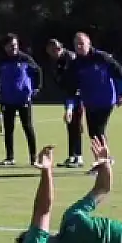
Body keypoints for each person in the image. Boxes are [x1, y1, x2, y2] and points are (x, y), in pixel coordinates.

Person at [64, 32, 122, 169]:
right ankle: (106, 160)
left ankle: (102, 163)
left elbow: (119, 72)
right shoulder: (75, 65)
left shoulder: (101, 57)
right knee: (93, 133)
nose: (79, 47)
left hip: (106, 100)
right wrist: (69, 108)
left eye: (81, 44)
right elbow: (71, 89)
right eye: (76, 44)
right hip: (89, 102)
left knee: (98, 131)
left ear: (88, 43)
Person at [0, 33, 43, 167]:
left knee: (27, 127)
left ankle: (33, 158)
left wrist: (36, 88)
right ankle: (10, 157)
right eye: (11, 46)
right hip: (7, 99)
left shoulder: (25, 59)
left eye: (15, 45)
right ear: (5, 47)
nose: (13, 48)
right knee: (8, 129)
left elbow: (38, 71)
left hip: (23, 99)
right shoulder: (2, 61)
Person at [47, 39, 85, 168]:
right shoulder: (55, 61)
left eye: (57, 49)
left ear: (61, 47)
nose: (55, 52)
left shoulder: (71, 59)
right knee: (70, 125)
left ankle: (79, 157)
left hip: (77, 95)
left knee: (76, 125)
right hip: (68, 95)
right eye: (52, 50)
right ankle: (72, 156)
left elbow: (76, 81)